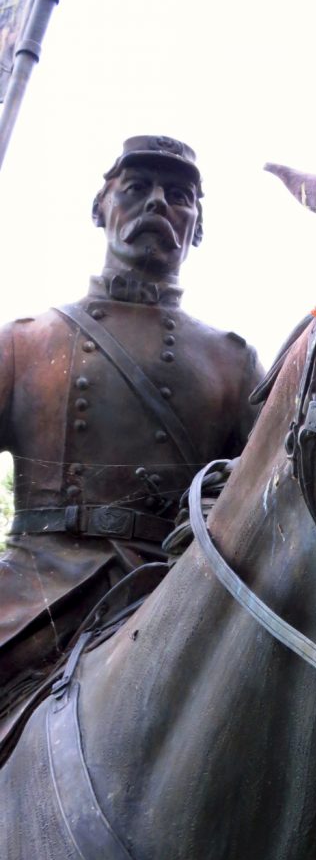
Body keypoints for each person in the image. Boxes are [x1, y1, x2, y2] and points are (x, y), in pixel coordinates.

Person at [0, 135, 263, 743]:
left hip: (178, 592)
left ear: (196, 228)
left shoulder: (233, 361)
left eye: (178, 196)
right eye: (136, 189)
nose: (157, 205)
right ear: (102, 208)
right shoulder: (25, 342)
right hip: (41, 584)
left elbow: (272, 496)